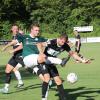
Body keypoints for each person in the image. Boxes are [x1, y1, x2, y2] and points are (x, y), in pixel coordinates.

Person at [37, 33, 90, 100]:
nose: (63, 43)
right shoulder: (52, 42)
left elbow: (73, 54)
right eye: (62, 41)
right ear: (59, 38)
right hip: (44, 62)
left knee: (58, 81)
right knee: (47, 78)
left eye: (64, 42)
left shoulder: (65, 45)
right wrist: (41, 54)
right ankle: (44, 98)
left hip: (52, 63)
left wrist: (82, 61)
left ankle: (63, 98)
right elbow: (39, 44)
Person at [0, 24, 24, 94]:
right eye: (14, 28)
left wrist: (7, 48)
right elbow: (13, 43)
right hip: (15, 57)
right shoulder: (14, 36)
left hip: (21, 56)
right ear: (11, 29)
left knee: (30, 69)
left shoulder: (19, 35)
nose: (15, 30)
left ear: (18, 29)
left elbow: (22, 46)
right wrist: (7, 48)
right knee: (7, 70)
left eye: (17, 28)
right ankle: (6, 88)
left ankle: (46, 78)